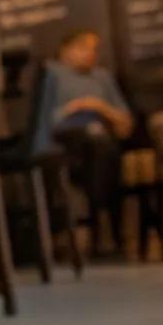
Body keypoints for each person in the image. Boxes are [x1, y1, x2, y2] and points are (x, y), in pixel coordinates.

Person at [44, 29, 133, 253]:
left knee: (102, 143)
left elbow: (125, 121)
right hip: (66, 139)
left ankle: (100, 221)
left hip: (102, 137)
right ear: (66, 49)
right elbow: (44, 120)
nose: (90, 53)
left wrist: (97, 106)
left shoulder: (102, 77)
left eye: (94, 49)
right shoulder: (52, 74)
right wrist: (76, 107)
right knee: (97, 143)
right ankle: (101, 220)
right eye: (83, 47)